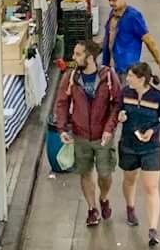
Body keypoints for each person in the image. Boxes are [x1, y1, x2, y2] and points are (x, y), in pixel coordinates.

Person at [50, 39, 122, 228]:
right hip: (81, 135)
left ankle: (104, 198)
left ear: (90, 57)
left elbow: (117, 104)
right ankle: (92, 209)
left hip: (103, 137)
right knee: (85, 173)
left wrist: (109, 128)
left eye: (78, 54)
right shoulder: (71, 78)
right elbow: (62, 103)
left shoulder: (108, 77)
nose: (74, 58)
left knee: (105, 174)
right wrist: (62, 127)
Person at [118, 61, 160, 248]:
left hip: (151, 147)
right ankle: (130, 207)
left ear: (141, 79)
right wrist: (120, 116)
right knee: (129, 179)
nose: (128, 79)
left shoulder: (159, 97)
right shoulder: (125, 93)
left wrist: (154, 130)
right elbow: (117, 110)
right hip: (128, 145)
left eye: (131, 76)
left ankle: (152, 229)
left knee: (151, 187)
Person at [102, 0, 160, 75]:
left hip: (127, 69)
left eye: (114, 0)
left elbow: (149, 40)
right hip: (113, 67)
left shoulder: (133, 17)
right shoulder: (113, 13)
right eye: (109, 0)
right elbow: (109, 38)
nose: (111, 3)